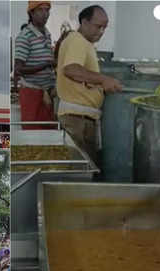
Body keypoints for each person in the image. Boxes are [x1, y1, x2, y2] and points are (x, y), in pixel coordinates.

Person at [56, 5, 122, 165]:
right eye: (98, 26)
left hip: (81, 119)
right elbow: (71, 69)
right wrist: (103, 80)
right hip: (77, 121)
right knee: (80, 172)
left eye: (104, 28)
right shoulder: (77, 41)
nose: (101, 31)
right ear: (84, 22)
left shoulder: (82, 43)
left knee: (84, 169)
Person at [14, 0, 56, 130]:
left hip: (47, 92)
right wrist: (46, 65)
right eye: (40, 10)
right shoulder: (24, 36)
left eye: (47, 10)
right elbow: (19, 69)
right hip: (31, 92)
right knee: (32, 132)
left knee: (49, 131)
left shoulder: (47, 34)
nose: (45, 14)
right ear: (31, 13)